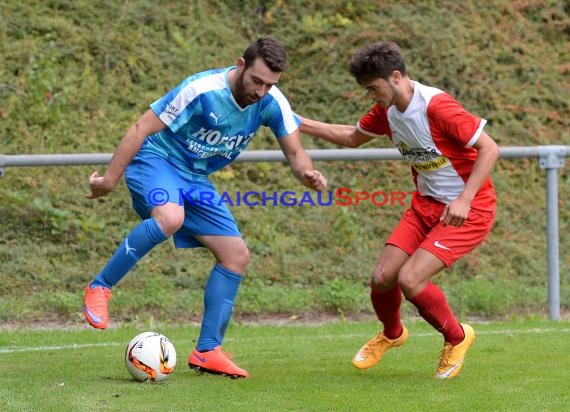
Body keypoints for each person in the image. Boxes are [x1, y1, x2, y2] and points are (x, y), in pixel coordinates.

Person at [83, 36, 327, 379]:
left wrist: (307, 174)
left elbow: (296, 152)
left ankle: (207, 350)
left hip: (196, 178)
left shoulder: (272, 102)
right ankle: (100, 286)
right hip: (156, 160)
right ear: (240, 65)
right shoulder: (201, 89)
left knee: (236, 255)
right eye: (256, 81)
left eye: (269, 85)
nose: (261, 91)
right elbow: (141, 127)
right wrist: (109, 180)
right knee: (170, 216)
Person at [299, 41, 499, 379]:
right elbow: (351, 136)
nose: (370, 96)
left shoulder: (437, 106)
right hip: (425, 206)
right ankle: (393, 334)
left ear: (395, 77)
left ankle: (457, 337)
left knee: (410, 279)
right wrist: (294, 121)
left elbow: (490, 149)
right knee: (381, 278)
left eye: (373, 88)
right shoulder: (386, 111)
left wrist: (464, 199)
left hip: (469, 209)